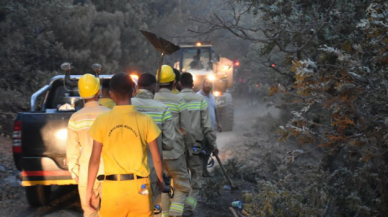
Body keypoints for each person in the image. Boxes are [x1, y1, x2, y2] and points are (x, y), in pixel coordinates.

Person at [86, 73, 164, 217]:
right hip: (140, 188)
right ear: (133, 91)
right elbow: (157, 157)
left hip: (112, 190)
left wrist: (89, 190)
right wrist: (160, 181)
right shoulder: (145, 120)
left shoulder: (102, 121)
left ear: (111, 94)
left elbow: (94, 160)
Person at [132, 73, 176, 215]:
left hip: (124, 171)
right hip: (150, 171)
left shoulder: (124, 106)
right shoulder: (162, 109)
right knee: (147, 207)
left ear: (137, 86)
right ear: (154, 88)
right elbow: (169, 143)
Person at [66, 74, 110, 217]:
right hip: (110, 172)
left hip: (86, 173)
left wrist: (75, 172)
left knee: (90, 212)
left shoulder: (75, 118)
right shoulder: (109, 114)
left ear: (81, 94)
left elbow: (72, 150)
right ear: (99, 91)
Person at [154, 65, 195, 217]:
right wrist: (190, 149)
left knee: (163, 186)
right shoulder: (179, 101)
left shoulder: (152, 100)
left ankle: (164, 215)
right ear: (174, 82)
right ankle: (174, 215)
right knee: (182, 187)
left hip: (156, 154)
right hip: (176, 153)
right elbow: (187, 129)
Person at [178, 73, 217, 216]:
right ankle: (189, 207)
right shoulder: (200, 100)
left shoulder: (175, 100)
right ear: (193, 84)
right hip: (196, 145)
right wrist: (213, 144)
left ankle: (176, 208)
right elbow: (207, 127)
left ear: (180, 84)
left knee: (179, 177)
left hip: (178, 147)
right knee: (196, 177)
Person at [197, 78, 221, 177]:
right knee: (200, 150)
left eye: (210, 83)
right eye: (206, 83)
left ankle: (204, 170)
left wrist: (218, 123)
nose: (208, 85)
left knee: (209, 149)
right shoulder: (198, 96)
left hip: (210, 128)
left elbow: (215, 110)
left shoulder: (212, 97)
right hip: (201, 129)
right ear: (203, 84)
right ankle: (198, 171)